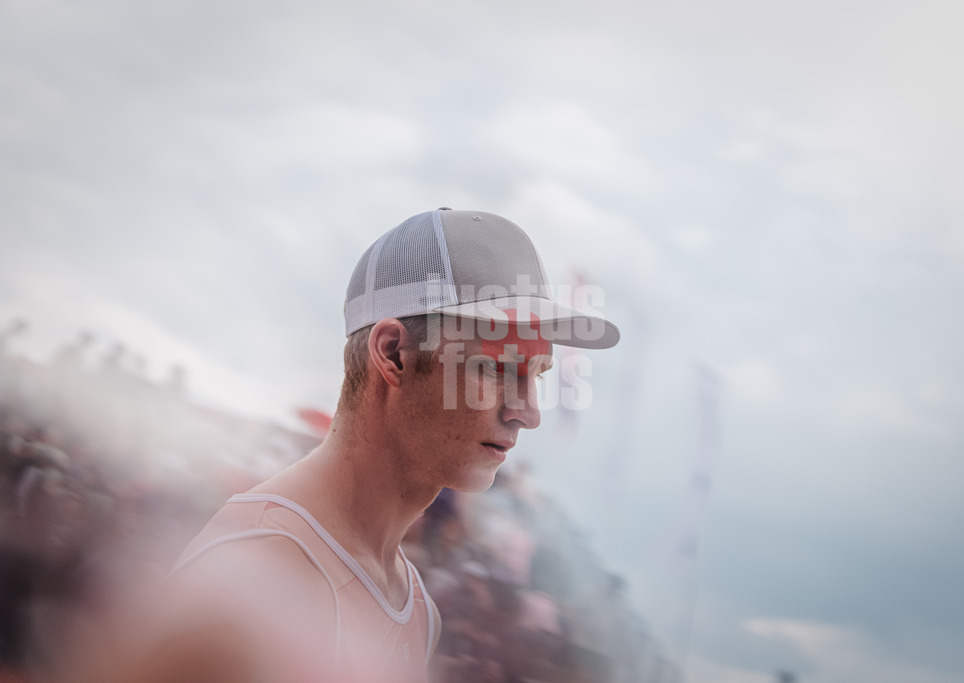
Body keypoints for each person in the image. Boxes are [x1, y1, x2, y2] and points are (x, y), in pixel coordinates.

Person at [156, 208, 620, 682]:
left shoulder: (413, 603)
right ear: (394, 353)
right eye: (498, 367)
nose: (529, 413)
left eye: (537, 375)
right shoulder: (260, 577)